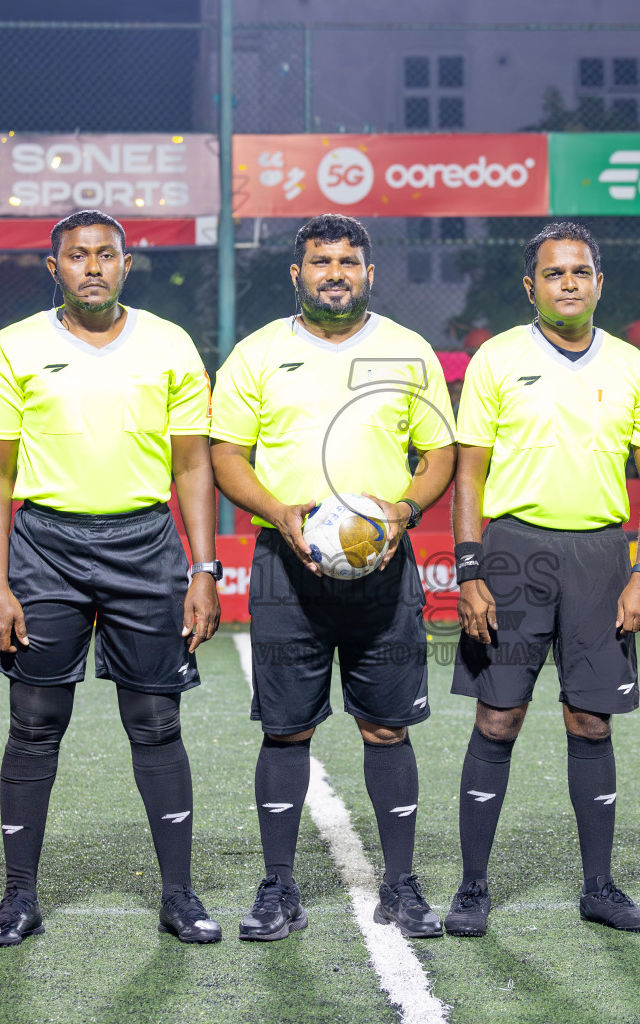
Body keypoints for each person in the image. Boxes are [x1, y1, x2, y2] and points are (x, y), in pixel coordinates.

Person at [0, 210, 223, 947]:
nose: (92, 267)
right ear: (54, 267)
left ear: (126, 264)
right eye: (77, 255)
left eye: (105, 255)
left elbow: (192, 466)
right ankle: (19, 899)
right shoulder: (16, 347)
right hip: (45, 546)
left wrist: (203, 569)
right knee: (34, 724)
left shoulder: (169, 344)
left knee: (156, 722)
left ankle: (179, 895)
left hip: (145, 545)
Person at [210, 214, 456, 941]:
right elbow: (227, 454)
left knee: (387, 727)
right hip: (288, 568)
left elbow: (439, 452)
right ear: (298, 274)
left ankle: (403, 887)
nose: (336, 271)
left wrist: (405, 510)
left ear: (369, 273)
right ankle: (278, 889)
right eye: (321, 261)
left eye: (349, 260)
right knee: (287, 731)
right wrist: (279, 511)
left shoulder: (408, 351)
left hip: (384, 570)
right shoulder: (257, 354)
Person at [445, 222, 640, 938]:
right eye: (553, 273)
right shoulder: (496, 359)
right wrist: (471, 570)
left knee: (590, 719)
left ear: (599, 282)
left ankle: (599, 887)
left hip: (604, 557)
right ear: (530, 287)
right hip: (512, 554)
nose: (568, 283)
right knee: (498, 717)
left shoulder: (634, 367)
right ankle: (473, 887)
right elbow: (469, 476)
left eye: (580, 271)